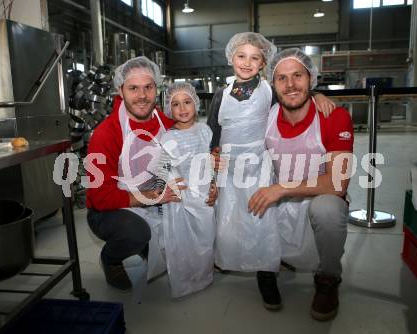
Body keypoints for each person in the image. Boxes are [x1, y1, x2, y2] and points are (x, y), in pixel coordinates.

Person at [206, 32, 336, 308]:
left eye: (255, 57)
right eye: (241, 56)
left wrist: (317, 96)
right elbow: (213, 132)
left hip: (258, 165)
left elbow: (294, 101)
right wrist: (212, 156)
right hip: (229, 168)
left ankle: (266, 275)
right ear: (231, 57)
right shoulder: (221, 95)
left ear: (264, 63)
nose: (247, 62)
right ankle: (228, 258)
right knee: (230, 221)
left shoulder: (269, 91)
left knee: (262, 223)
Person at [248, 48, 354, 321]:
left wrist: (281, 188)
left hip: (313, 201)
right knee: (246, 188)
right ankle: (269, 265)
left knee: (329, 208)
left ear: (311, 79)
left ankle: (328, 279)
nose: (291, 84)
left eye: (298, 76)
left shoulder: (333, 117)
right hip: (281, 206)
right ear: (273, 84)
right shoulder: (267, 118)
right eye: (282, 78)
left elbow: (338, 183)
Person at [86, 56, 186, 292]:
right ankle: (111, 259)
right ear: (120, 90)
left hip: (152, 198)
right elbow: (101, 197)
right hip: (110, 210)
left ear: (156, 89)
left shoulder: (164, 122)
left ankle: (150, 247)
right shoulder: (105, 134)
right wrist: (151, 197)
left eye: (148, 88)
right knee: (137, 233)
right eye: (133, 88)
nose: (142, 96)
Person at [156, 82, 218, 298]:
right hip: (181, 199)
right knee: (182, 240)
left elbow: (213, 162)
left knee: (205, 235)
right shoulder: (167, 138)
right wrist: (169, 183)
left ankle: (204, 275)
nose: (182, 108)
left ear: (196, 103)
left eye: (187, 102)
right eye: (175, 104)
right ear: (168, 109)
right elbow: (162, 169)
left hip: (204, 196)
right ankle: (185, 279)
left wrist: (214, 185)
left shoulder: (205, 130)